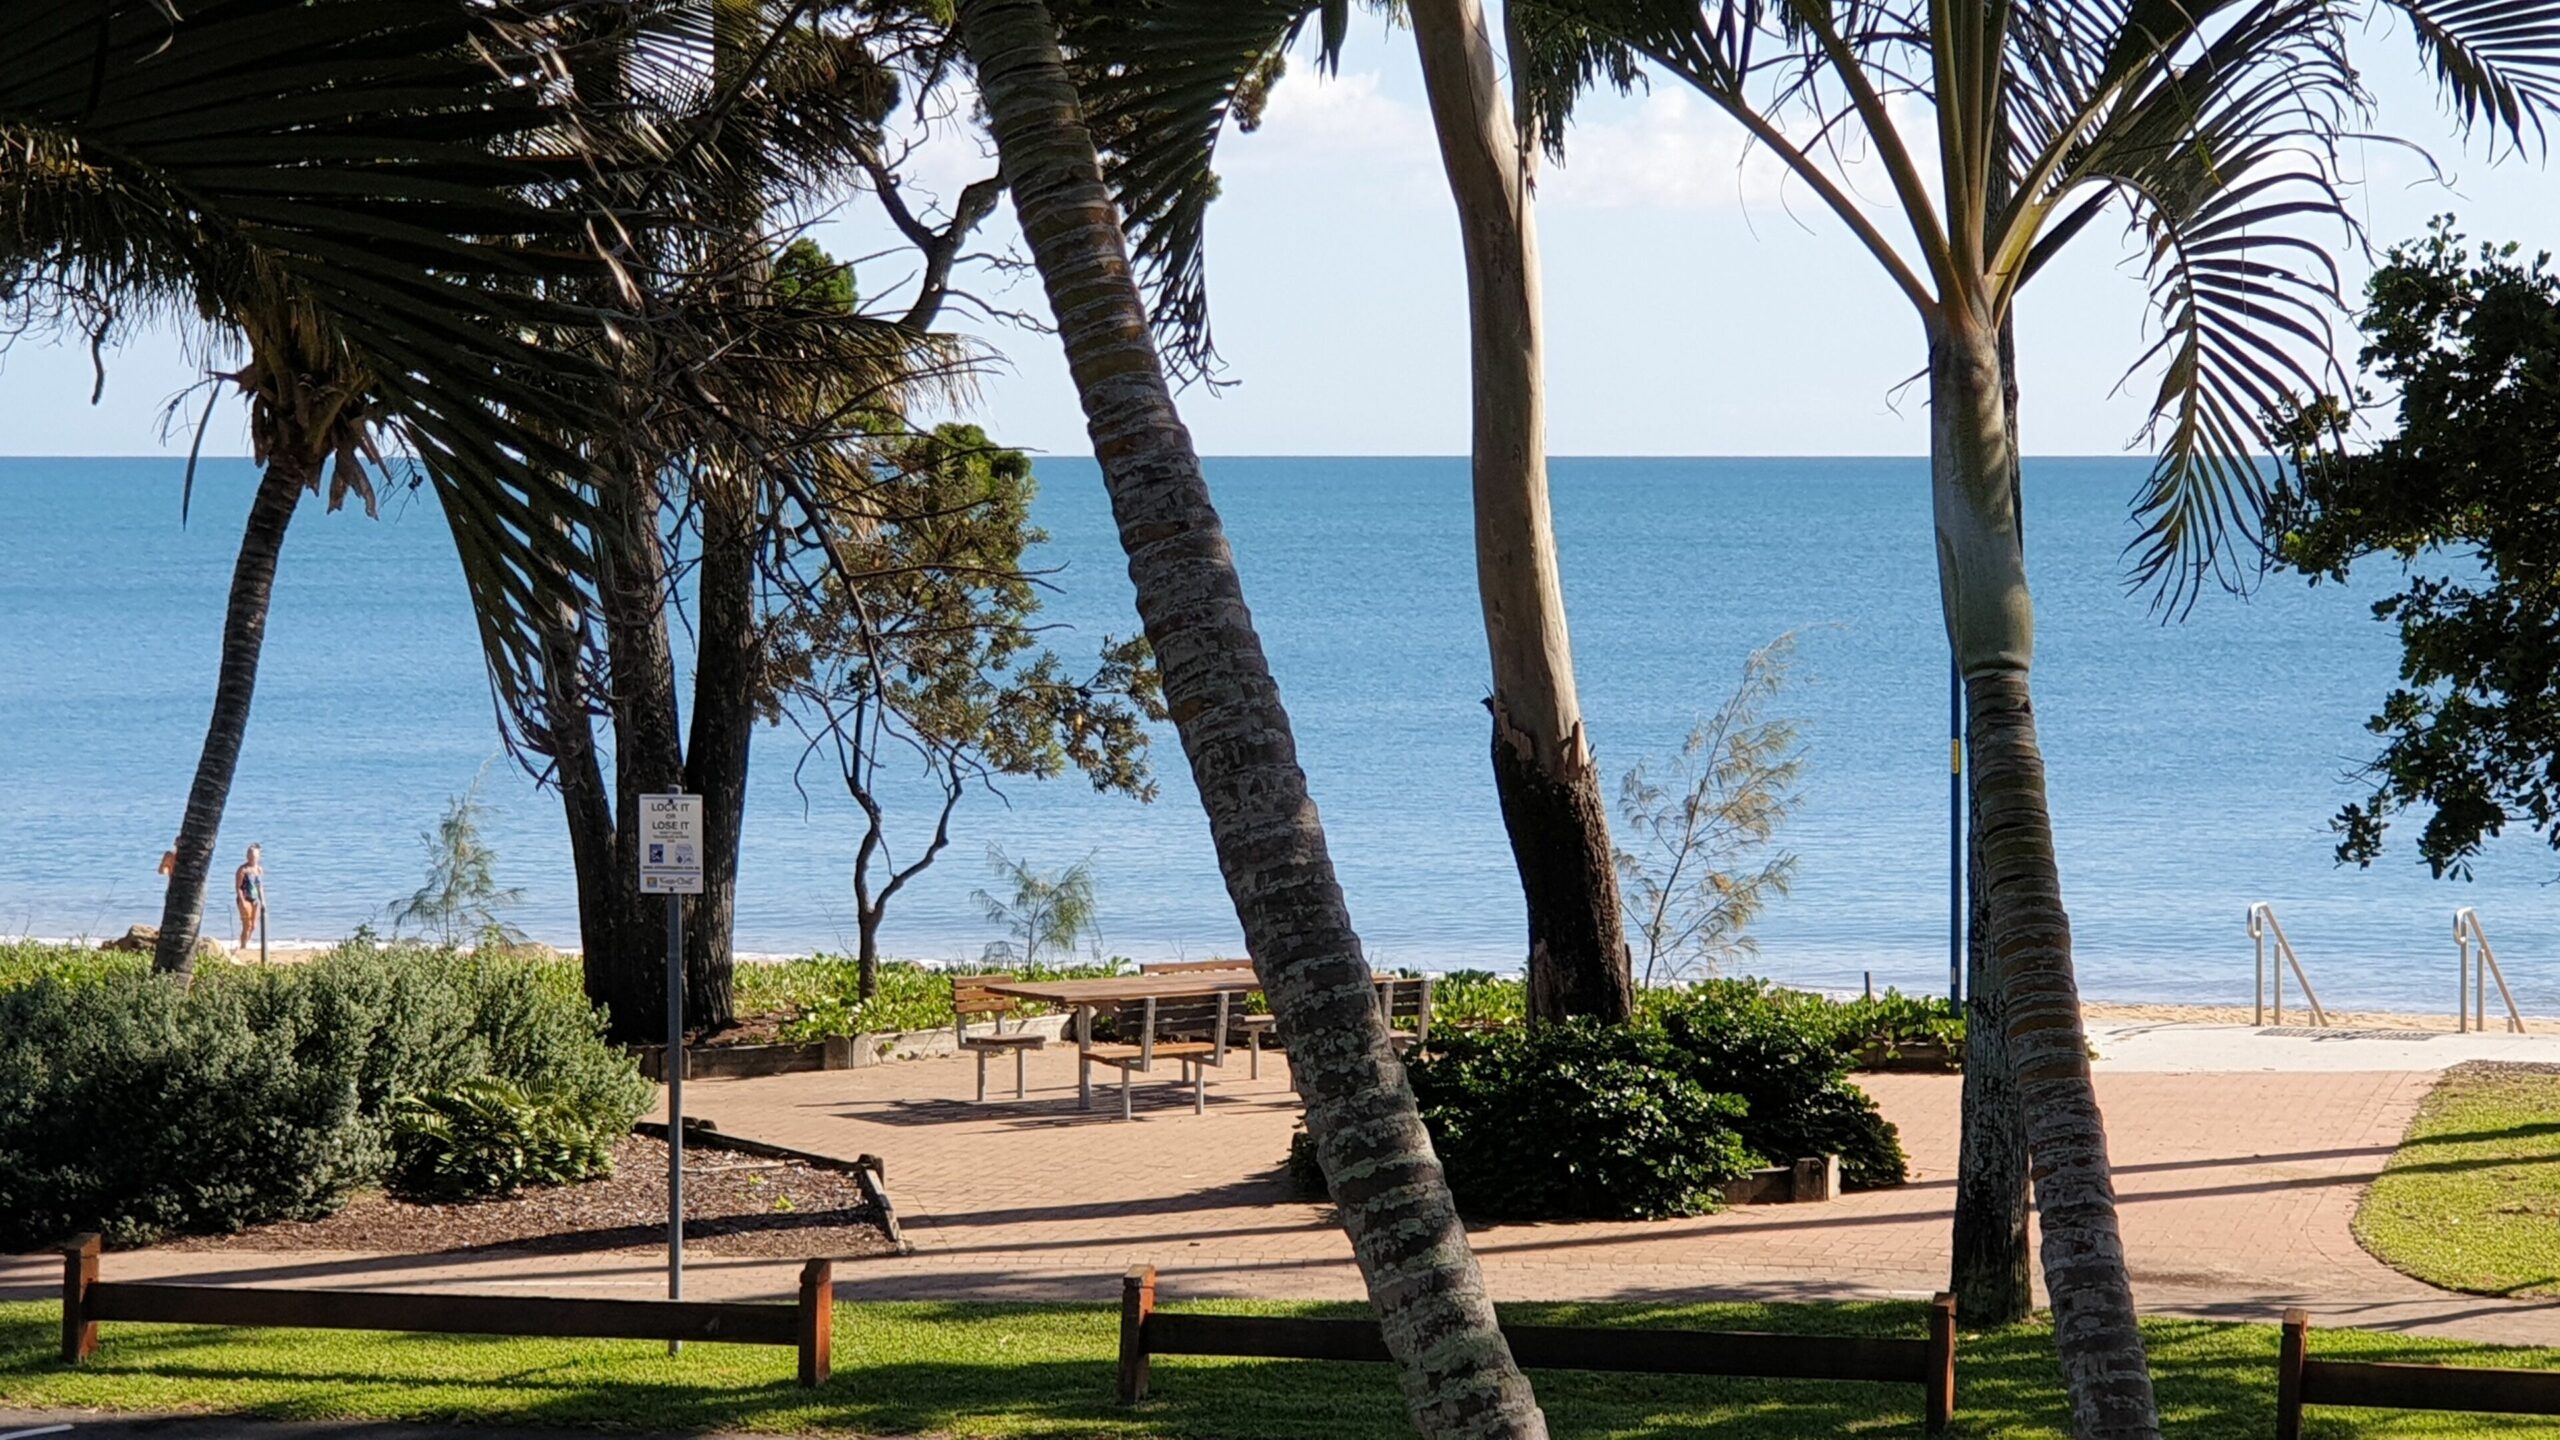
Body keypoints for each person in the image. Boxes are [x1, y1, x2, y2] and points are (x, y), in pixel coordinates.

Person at [235, 844, 265, 953]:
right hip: (245, 899)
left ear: (258, 857)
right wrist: (242, 901)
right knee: (247, 925)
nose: (252, 858)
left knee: (253, 926)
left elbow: (259, 886)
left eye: (254, 856)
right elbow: (238, 887)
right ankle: (243, 947)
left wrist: (263, 901)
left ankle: (245, 943)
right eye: (250, 855)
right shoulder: (243, 870)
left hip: (255, 899)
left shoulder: (259, 870)